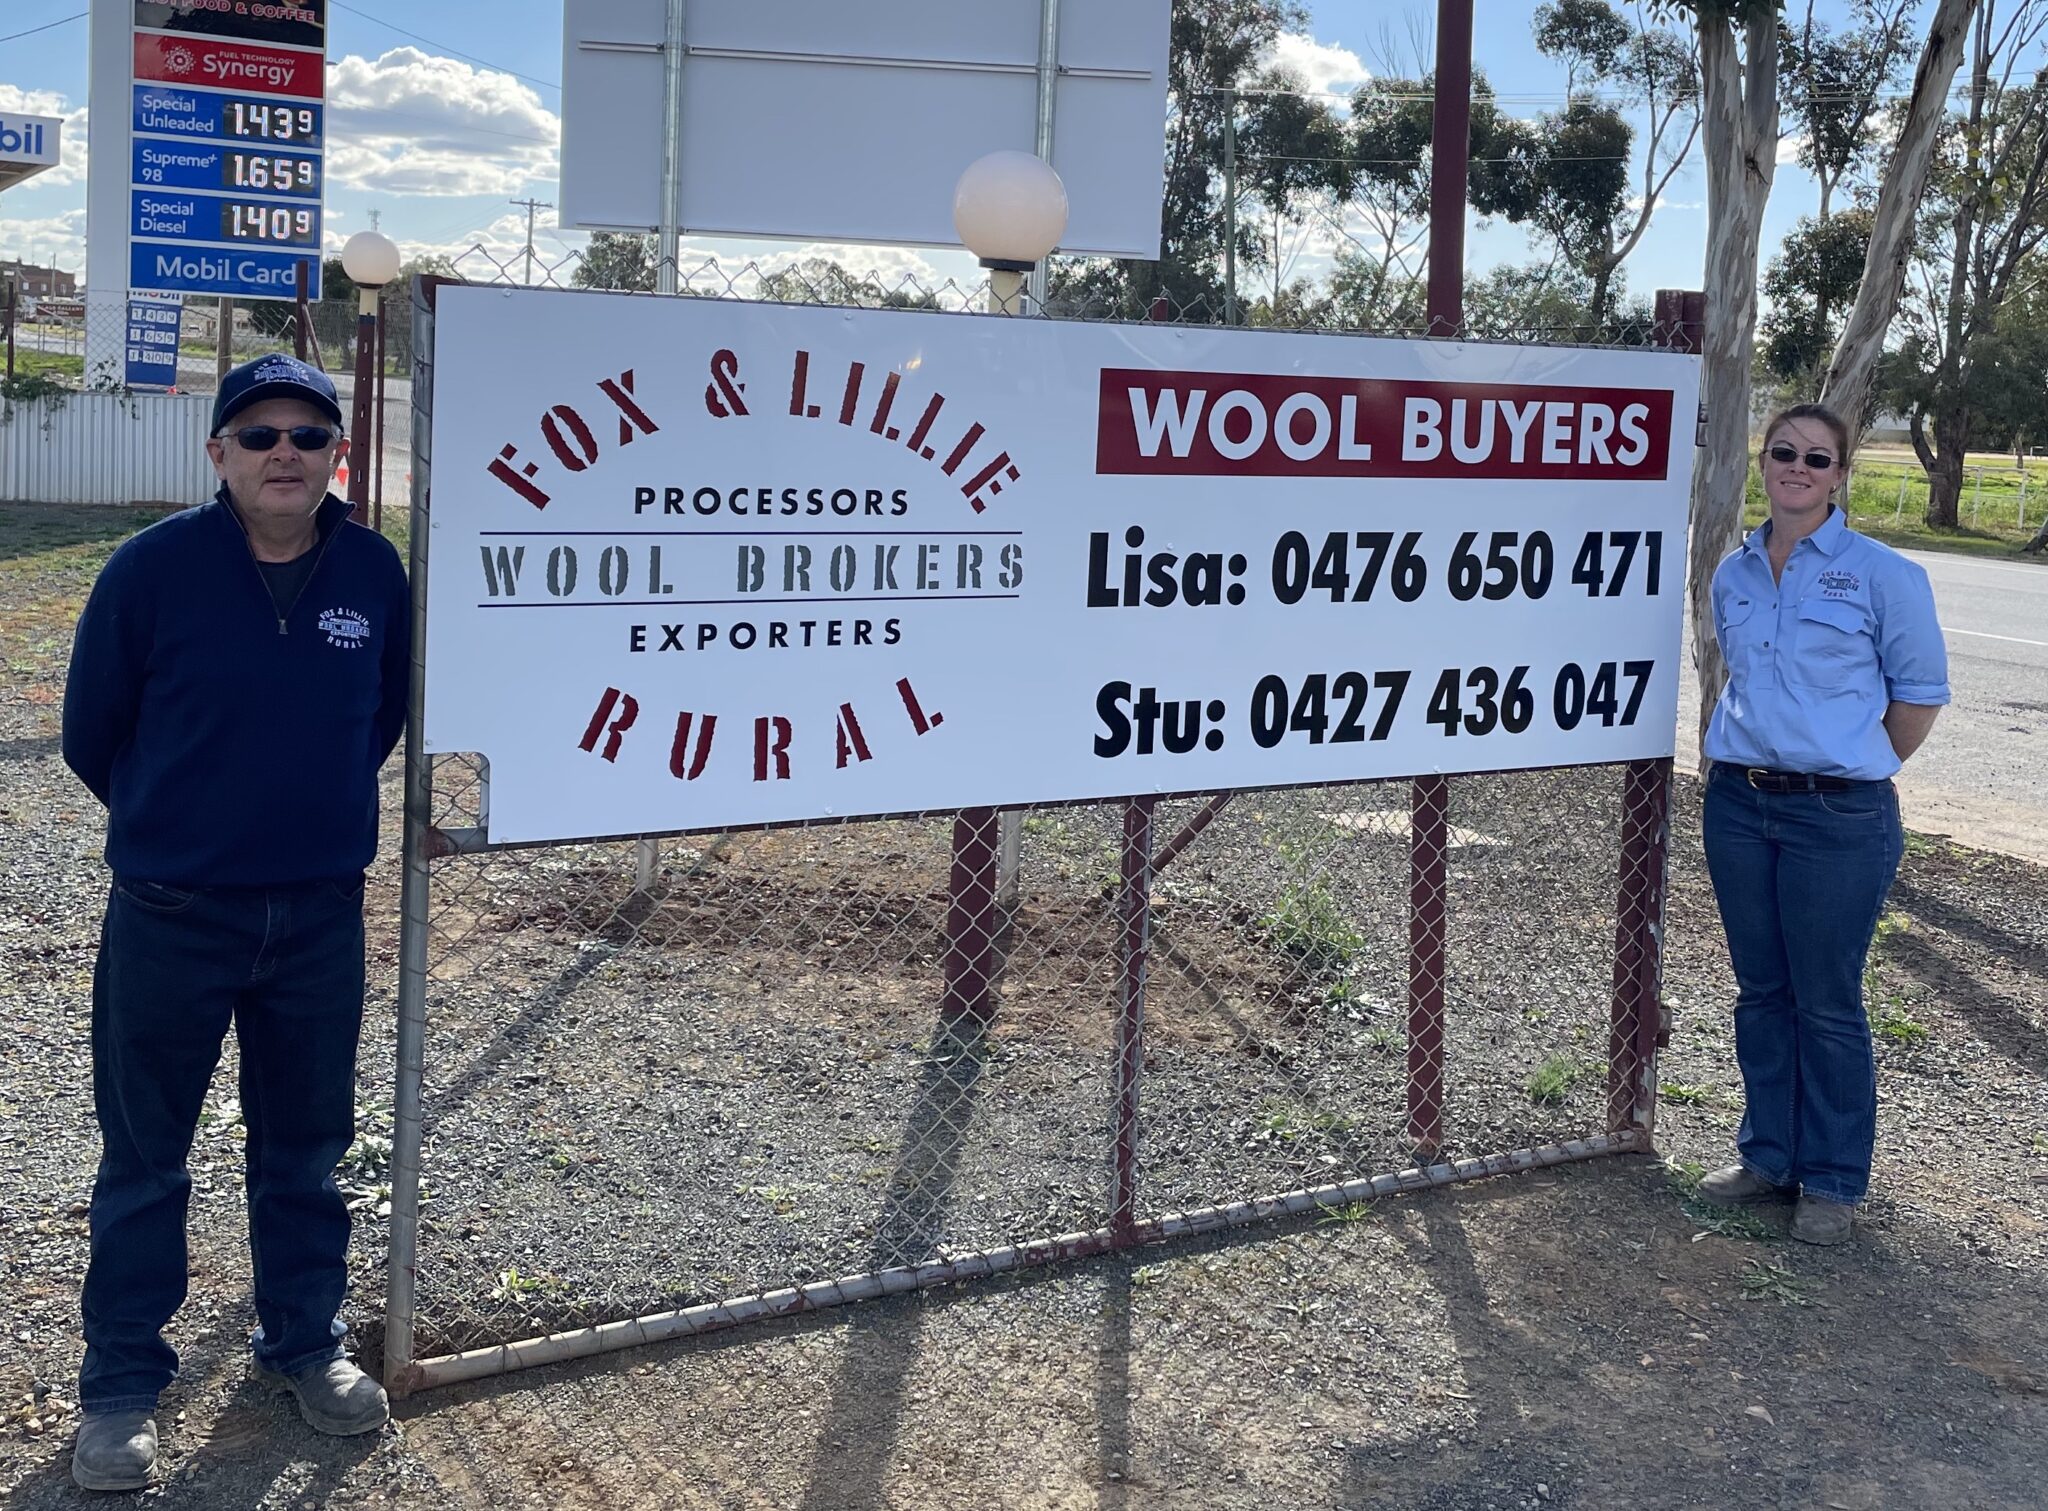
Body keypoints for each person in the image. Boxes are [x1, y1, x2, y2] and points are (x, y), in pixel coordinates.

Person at [60, 355, 410, 1490]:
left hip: (317, 916)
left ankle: (304, 1342)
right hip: (173, 912)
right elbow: (89, 731)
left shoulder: (371, 569)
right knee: (148, 1159)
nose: (284, 454)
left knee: (305, 1149)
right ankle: (119, 1384)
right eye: (257, 434)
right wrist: (189, 827)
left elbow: (380, 716)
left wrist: (293, 827)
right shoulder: (151, 570)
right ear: (217, 452)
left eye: (308, 435)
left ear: (334, 456)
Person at [1697, 402, 1948, 1246]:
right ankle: (1769, 1157)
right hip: (1739, 803)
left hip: (1837, 817)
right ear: (1762, 463)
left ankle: (1834, 1182)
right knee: (1761, 991)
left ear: (1841, 474)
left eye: (1816, 457)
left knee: (1827, 1000)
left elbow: (1917, 699)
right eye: (1782, 453)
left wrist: (1845, 764)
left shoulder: (1884, 576)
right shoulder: (1732, 572)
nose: (1797, 467)